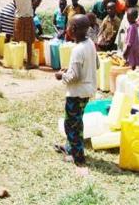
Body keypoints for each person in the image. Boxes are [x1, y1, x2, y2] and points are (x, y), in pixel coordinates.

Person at [55, 15, 98, 170]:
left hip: (77, 92)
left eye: (68, 25)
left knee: (72, 124)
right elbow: (95, 64)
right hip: (87, 90)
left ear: (72, 29)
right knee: (76, 121)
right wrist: (71, 70)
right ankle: (70, 147)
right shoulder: (90, 44)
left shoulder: (77, 50)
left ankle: (77, 156)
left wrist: (62, 75)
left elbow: (75, 76)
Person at [12, 0, 37, 70]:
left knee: (17, 40)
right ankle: (29, 63)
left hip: (18, 18)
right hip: (28, 18)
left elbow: (14, 3)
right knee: (29, 42)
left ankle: (16, 60)